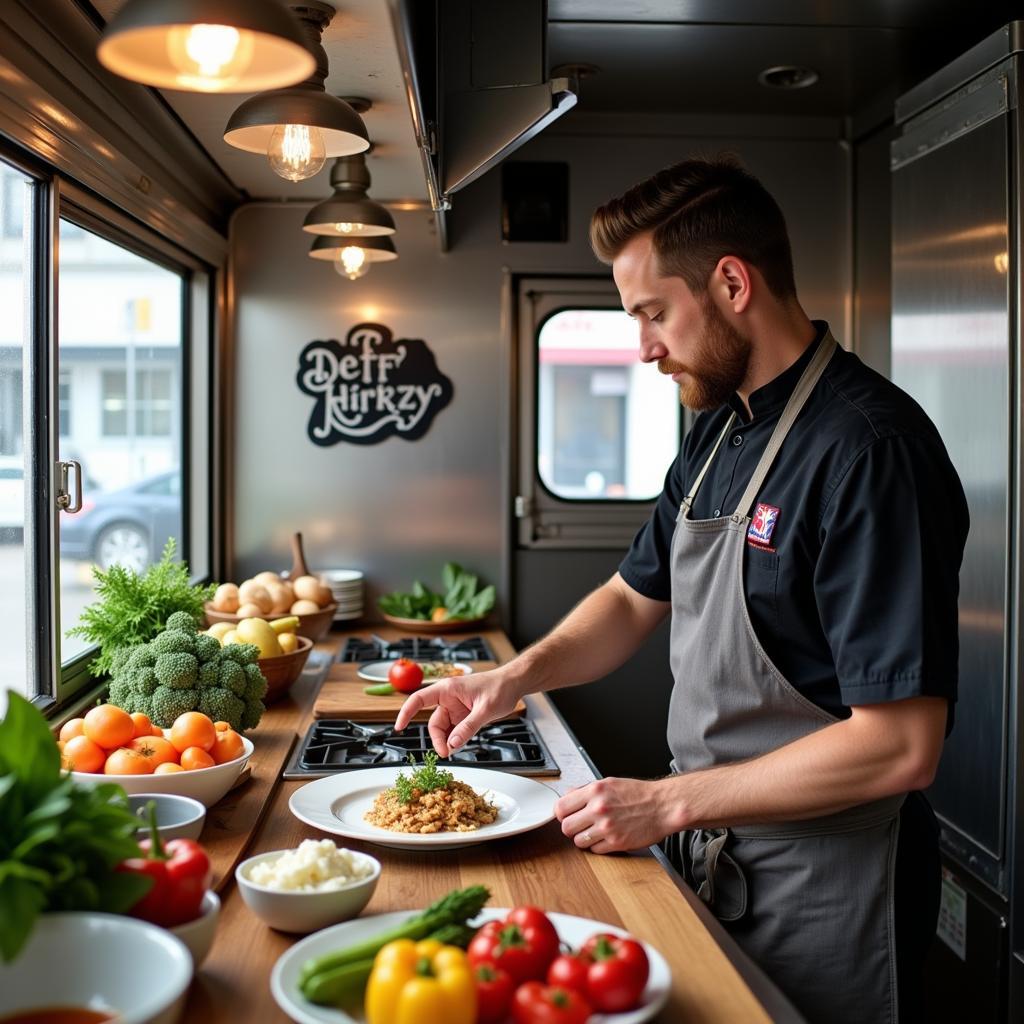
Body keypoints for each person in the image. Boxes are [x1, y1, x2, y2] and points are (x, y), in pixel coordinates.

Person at [394, 156, 968, 1024]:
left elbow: (899, 746)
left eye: (654, 313)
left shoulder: (869, 450)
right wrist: (509, 681)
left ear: (733, 283)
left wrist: (665, 802)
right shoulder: (716, 431)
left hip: (830, 884)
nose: (645, 346)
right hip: (711, 848)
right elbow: (632, 598)